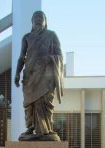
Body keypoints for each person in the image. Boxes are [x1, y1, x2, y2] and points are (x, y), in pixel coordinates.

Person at [14, 10, 65, 141]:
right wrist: (17, 73)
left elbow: (59, 56)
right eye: (35, 17)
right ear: (32, 21)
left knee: (45, 102)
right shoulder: (26, 37)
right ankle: (30, 127)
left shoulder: (51, 35)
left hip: (46, 78)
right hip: (30, 76)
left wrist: (48, 59)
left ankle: (46, 129)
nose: (38, 18)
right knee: (29, 103)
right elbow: (21, 57)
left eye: (41, 17)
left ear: (45, 21)